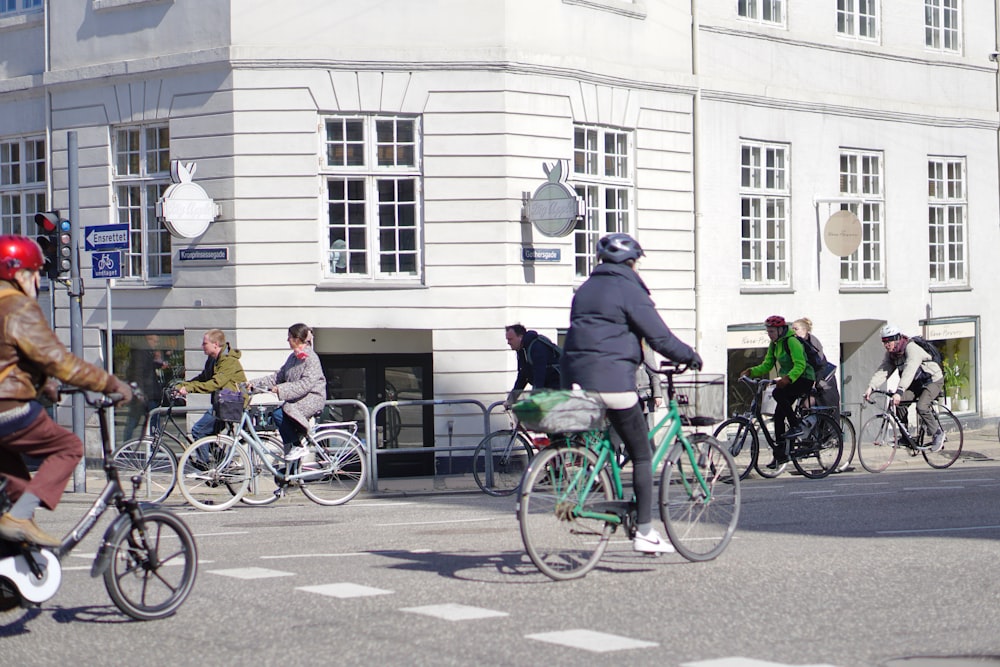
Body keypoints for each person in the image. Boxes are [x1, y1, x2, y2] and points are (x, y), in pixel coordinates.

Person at [562, 233, 702, 554]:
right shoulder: (628, 288)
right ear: (631, 262)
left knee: (612, 437)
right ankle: (644, 531)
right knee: (642, 454)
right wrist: (689, 355)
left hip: (579, 381)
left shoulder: (583, 290)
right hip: (613, 381)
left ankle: (610, 493)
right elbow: (659, 337)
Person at [0, 235, 132, 547]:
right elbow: (59, 361)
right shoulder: (17, 306)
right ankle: (19, 519)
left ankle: (16, 560)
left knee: (17, 478)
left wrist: (43, 383)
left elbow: (13, 356)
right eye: (35, 273)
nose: (37, 280)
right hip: (8, 408)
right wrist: (111, 383)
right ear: (20, 274)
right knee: (69, 447)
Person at [741, 315, 815, 467]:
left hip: (804, 378)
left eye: (772, 331)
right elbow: (767, 365)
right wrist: (751, 371)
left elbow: (800, 365)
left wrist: (787, 379)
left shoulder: (791, 341)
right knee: (779, 416)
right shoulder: (774, 344)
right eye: (768, 332)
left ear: (781, 330)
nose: (770, 334)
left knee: (777, 393)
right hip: (791, 378)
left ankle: (796, 425)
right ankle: (780, 454)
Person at [248, 324, 326, 461]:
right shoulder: (293, 358)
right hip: (299, 398)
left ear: (297, 339)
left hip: (313, 398)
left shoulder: (311, 358)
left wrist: (280, 389)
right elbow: (277, 377)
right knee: (282, 413)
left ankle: (297, 446)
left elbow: (305, 384)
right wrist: (253, 384)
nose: (287, 340)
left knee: (281, 411)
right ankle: (292, 464)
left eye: (289, 337)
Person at [864, 324, 945, 451]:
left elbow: (909, 370)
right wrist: (871, 387)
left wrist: (899, 391)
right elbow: (884, 370)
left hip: (932, 380)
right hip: (916, 383)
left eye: (888, 341)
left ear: (896, 338)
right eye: (884, 341)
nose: (886, 344)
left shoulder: (911, 348)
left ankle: (938, 433)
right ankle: (906, 438)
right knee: (900, 403)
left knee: (922, 406)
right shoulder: (892, 354)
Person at [176, 329, 246, 440]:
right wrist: (183, 385)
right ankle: (217, 457)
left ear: (216, 344)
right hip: (222, 404)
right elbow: (204, 378)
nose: (202, 346)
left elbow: (215, 383)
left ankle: (205, 458)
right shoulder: (213, 359)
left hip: (231, 404)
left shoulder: (228, 360)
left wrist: (189, 388)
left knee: (198, 431)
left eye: (205, 343)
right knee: (207, 435)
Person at [123, 333, 172, 440]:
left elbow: (146, 368)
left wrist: (159, 364)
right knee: (139, 421)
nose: (156, 344)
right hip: (146, 394)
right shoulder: (141, 353)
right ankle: (127, 446)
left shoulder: (145, 352)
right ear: (148, 340)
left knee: (146, 421)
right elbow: (138, 373)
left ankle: (149, 446)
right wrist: (140, 393)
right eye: (155, 341)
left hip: (148, 393)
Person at [503, 324, 561, 408]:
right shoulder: (522, 350)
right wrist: (511, 400)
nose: (508, 342)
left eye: (510, 339)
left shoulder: (537, 347)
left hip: (556, 388)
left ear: (520, 337)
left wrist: (534, 399)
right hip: (546, 389)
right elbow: (522, 377)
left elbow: (539, 375)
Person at [791, 318, 840, 409]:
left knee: (811, 408)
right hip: (815, 382)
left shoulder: (811, 344)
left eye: (795, 329)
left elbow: (817, 364)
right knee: (802, 408)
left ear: (805, 330)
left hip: (823, 384)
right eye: (792, 329)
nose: (792, 331)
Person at [636, 340, 663, 429]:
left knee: (648, 429)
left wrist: (657, 394)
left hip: (643, 396)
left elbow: (654, 373)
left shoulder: (644, 349)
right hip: (628, 397)